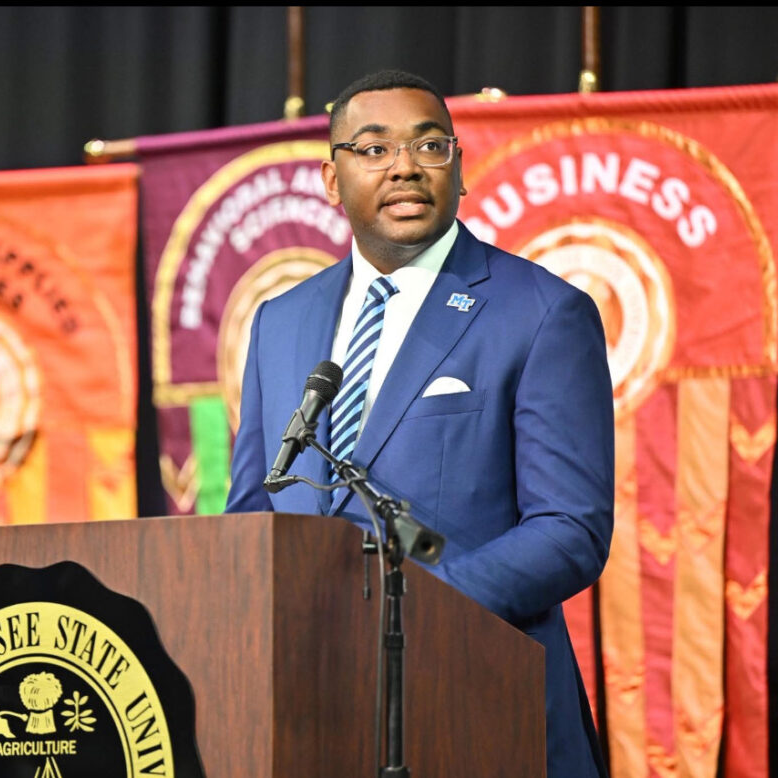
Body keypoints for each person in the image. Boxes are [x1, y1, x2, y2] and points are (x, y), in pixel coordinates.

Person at [226, 69, 613, 777]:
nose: (405, 165)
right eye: (373, 149)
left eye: (430, 145)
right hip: (312, 707)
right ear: (331, 178)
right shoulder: (280, 323)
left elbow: (571, 529)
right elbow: (255, 510)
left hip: (478, 695)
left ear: (459, 169)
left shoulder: (540, 312)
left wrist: (411, 614)